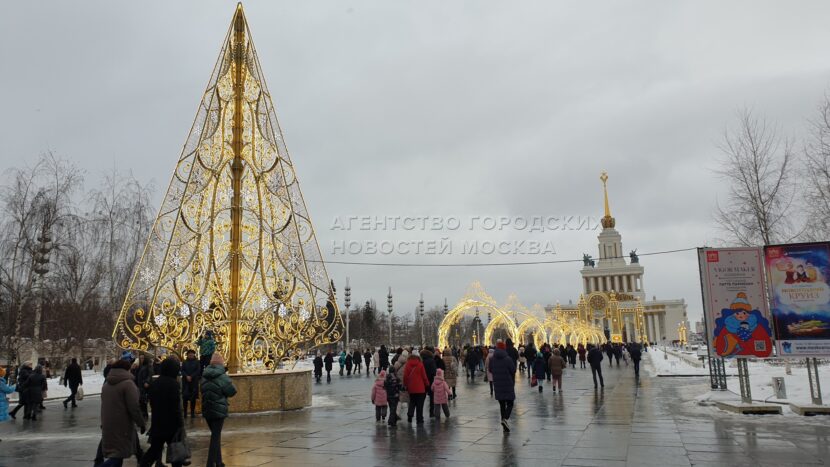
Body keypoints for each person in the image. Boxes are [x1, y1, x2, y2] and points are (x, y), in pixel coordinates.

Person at [100, 359, 146, 467]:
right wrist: (141, 423)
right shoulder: (128, 384)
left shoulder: (106, 384)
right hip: (122, 425)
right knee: (116, 458)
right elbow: (134, 407)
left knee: (116, 456)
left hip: (108, 423)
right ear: (127, 369)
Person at [140, 357, 185, 467]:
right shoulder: (173, 384)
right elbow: (176, 407)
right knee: (176, 453)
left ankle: (143, 464)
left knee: (154, 451)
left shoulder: (155, 383)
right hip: (171, 425)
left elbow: (153, 403)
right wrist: (180, 424)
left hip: (158, 423)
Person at [201, 352, 237, 467]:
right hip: (219, 410)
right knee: (215, 437)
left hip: (207, 410)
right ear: (221, 364)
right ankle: (210, 463)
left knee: (215, 436)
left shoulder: (204, 376)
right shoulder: (222, 377)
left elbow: (202, 390)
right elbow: (232, 391)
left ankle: (219, 462)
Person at [489, 340, 516, 433]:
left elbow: (490, 369)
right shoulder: (507, 359)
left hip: (497, 384)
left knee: (502, 405)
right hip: (508, 384)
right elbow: (513, 370)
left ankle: (504, 425)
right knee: (510, 403)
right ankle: (505, 419)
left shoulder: (492, 359)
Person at [403, 351, 428, 424]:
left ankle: (410, 415)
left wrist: (405, 384)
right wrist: (427, 384)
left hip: (411, 387)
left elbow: (405, 376)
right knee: (420, 405)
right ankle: (419, 419)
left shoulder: (407, 364)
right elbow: (424, 376)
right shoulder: (420, 364)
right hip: (420, 388)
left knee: (412, 402)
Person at [181, 349, 201, 418]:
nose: (191, 355)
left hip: (194, 382)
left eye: (192, 354)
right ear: (187, 355)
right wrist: (186, 376)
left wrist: (191, 376)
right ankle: (185, 412)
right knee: (185, 398)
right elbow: (182, 370)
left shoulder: (197, 362)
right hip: (186, 382)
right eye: (189, 354)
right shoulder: (184, 362)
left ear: (194, 355)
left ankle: (192, 412)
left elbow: (198, 370)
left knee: (193, 398)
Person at [420, 348, 437, 417]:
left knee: (421, 398)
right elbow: (434, 371)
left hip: (422, 381)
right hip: (430, 380)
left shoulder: (421, 361)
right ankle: (431, 412)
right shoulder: (431, 361)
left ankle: (420, 413)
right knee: (432, 397)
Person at [394, 349, 409, 418]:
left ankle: (397, 412)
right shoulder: (408, 363)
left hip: (398, 382)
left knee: (399, 399)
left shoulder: (397, 363)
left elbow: (394, 372)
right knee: (409, 398)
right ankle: (410, 413)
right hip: (406, 382)